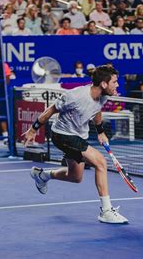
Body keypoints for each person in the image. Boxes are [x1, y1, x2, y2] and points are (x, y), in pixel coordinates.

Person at [22, 65, 129, 224]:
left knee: (75, 177)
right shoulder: (75, 96)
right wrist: (33, 129)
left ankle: (42, 175)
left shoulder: (103, 96)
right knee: (100, 162)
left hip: (78, 136)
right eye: (114, 82)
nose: (117, 85)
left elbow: (96, 110)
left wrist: (100, 131)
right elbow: (51, 109)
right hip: (62, 135)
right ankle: (106, 211)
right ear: (104, 84)